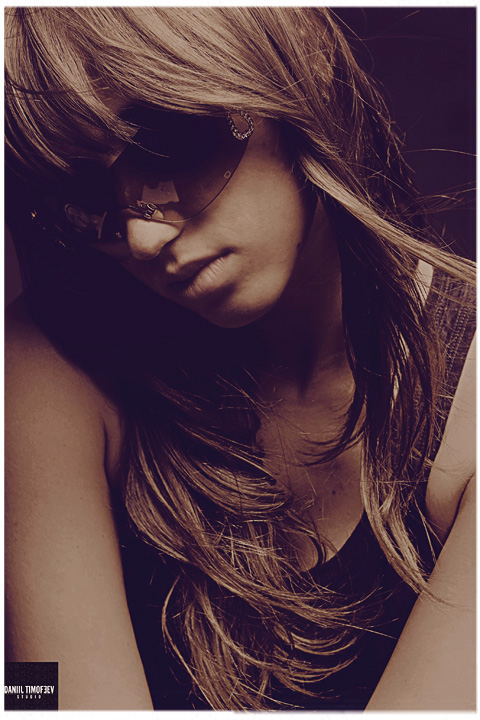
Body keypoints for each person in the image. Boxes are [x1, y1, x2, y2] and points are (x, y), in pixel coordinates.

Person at [4, 7, 475, 712]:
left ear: (303, 58)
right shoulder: (47, 364)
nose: (142, 236)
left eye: (165, 143)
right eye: (88, 195)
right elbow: (39, 699)